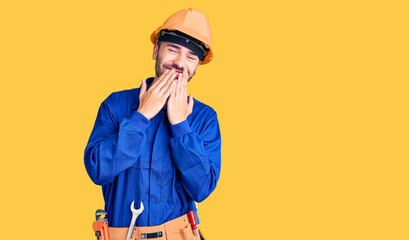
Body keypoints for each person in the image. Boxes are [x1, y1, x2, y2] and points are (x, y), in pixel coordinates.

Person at [84, 8, 221, 240]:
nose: (179, 63)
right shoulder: (116, 105)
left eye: (190, 57)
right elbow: (98, 170)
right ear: (156, 50)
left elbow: (202, 188)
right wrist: (141, 116)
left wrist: (180, 125)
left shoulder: (204, 118)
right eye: (173, 49)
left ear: (197, 66)